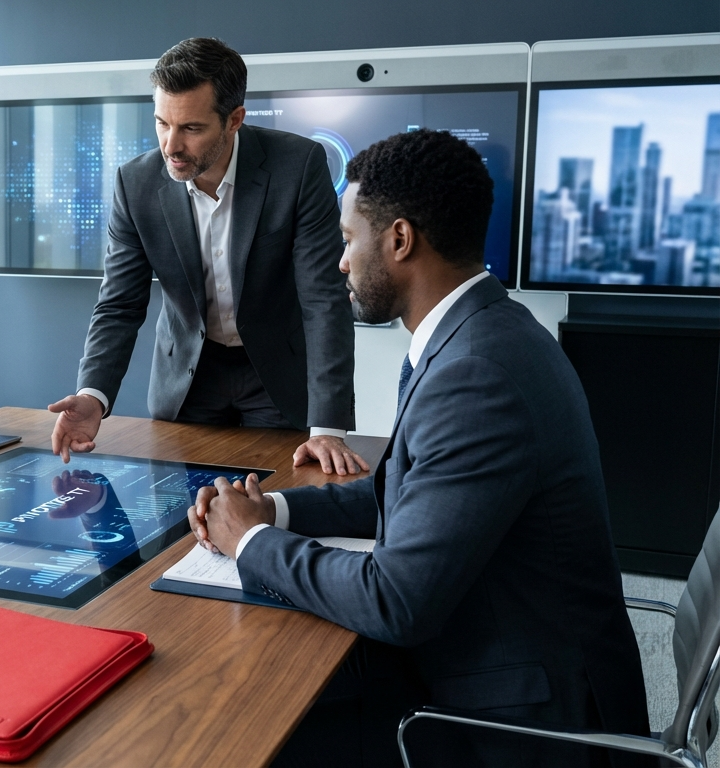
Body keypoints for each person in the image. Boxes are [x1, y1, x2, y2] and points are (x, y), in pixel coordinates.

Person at [190, 130, 648, 766]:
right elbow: (404, 494)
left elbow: (395, 601)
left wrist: (250, 544)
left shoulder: (475, 373)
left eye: (349, 240)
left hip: (519, 712)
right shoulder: (482, 331)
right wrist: (277, 513)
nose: (341, 262)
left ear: (400, 240)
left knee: (245, 720)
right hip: (499, 651)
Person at [48, 37, 365, 475]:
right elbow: (119, 304)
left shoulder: (298, 165)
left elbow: (323, 300)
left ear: (234, 119)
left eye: (191, 128)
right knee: (178, 515)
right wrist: (93, 395)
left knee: (276, 506)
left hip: (275, 374)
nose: (170, 146)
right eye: (162, 123)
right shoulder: (135, 184)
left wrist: (328, 425)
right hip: (189, 377)